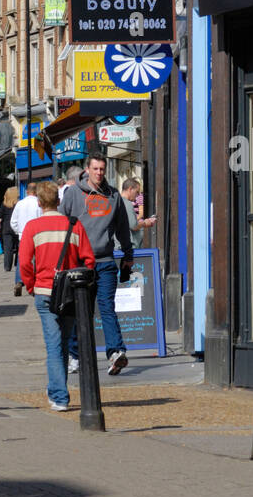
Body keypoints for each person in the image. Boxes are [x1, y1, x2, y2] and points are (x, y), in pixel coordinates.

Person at [19, 181, 95, 411]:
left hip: (45, 292)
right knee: (62, 343)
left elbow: (24, 263)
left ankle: (59, 396)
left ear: (40, 203)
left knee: (53, 344)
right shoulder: (74, 225)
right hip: (70, 293)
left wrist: (32, 286)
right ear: (59, 202)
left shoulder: (32, 227)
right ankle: (56, 389)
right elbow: (89, 261)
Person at [61, 154, 134, 375]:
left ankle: (115, 353)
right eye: (96, 169)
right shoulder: (73, 193)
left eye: (102, 169)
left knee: (106, 307)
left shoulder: (113, 196)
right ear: (87, 169)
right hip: (79, 262)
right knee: (78, 310)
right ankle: (75, 355)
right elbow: (62, 222)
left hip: (105, 261)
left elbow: (122, 229)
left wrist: (128, 256)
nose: (99, 173)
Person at [10, 182, 41, 297]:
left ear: (27, 191)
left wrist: (19, 231)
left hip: (23, 235)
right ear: (36, 191)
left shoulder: (20, 204)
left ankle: (19, 281)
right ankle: (36, 283)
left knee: (22, 259)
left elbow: (13, 222)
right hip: (37, 235)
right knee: (37, 259)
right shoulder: (39, 204)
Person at [120, 178, 157, 251]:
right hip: (127, 248)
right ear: (130, 189)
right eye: (137, 192)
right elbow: (134, 226)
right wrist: (145, 223)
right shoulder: (127, 204)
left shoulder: (116, 201)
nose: (138, 195)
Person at [0, 187, 19, 273]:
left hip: (6, 229)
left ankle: (7, 266)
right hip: (16, 227)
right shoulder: (18, 204)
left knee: (8, 248)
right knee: (19, 247)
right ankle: (17, 264)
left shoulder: (4, 204)